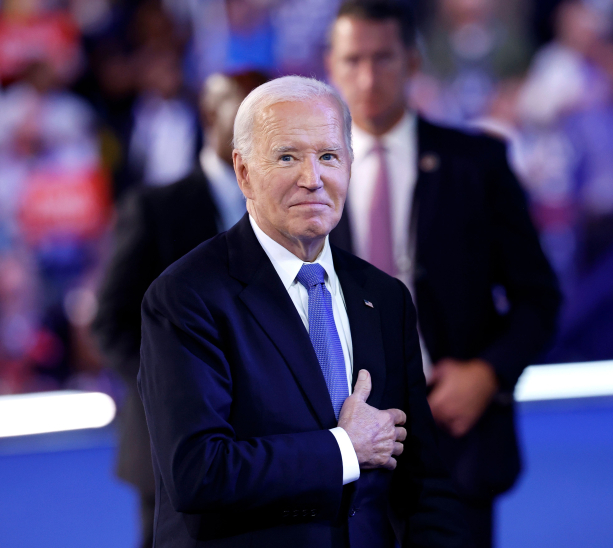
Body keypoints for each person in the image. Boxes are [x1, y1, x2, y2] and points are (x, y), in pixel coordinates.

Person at [138, 75, 468, 547]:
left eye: (329, 156)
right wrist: (343, 449)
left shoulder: (384, 297)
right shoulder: (186, 296)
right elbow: (199, 472)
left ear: (350, 166)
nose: (312, 179)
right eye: (288, 156)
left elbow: (424, 481)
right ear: (244, 171)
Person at [325, 2, 562, 547]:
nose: (367, 76)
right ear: (330, 67)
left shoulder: (477, 163)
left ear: (412, 61)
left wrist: (488, 374)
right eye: (352, 59)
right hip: (337, 443)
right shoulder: (309, 176)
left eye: (383, 58)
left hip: (456, 438)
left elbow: (539, 298)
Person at [93, 70, 268, 548]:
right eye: (249, 111)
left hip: (270, 451)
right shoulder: (154, 208)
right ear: (212, 114)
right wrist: (174, 390)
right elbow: (111, 321)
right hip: (170, 447)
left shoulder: (293, 210)